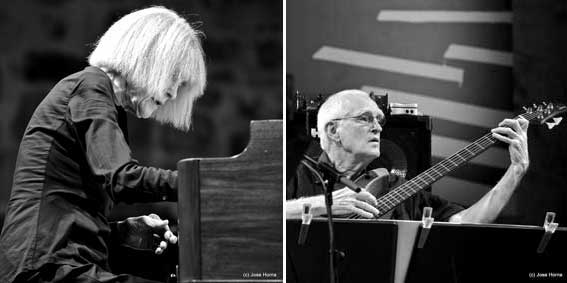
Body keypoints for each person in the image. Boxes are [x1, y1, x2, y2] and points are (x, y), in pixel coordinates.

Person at [0, 6, 206, 283]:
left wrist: (123, 233)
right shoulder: (90, 88)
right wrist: (200, 182)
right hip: (44, 267)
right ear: (148, 57)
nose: (172, 92)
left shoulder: (102, 100)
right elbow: (121, 179)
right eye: (173, 77)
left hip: (56, 261)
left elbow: (71, 208)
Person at [287, 89, 529, 223]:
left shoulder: (395, 189)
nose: (378, 127)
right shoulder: (294, 173)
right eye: (365, 118)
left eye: (379, 120)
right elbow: (253, 216)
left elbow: (465, 223)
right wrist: (323, 205)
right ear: (333, 131)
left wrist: (515, 171)